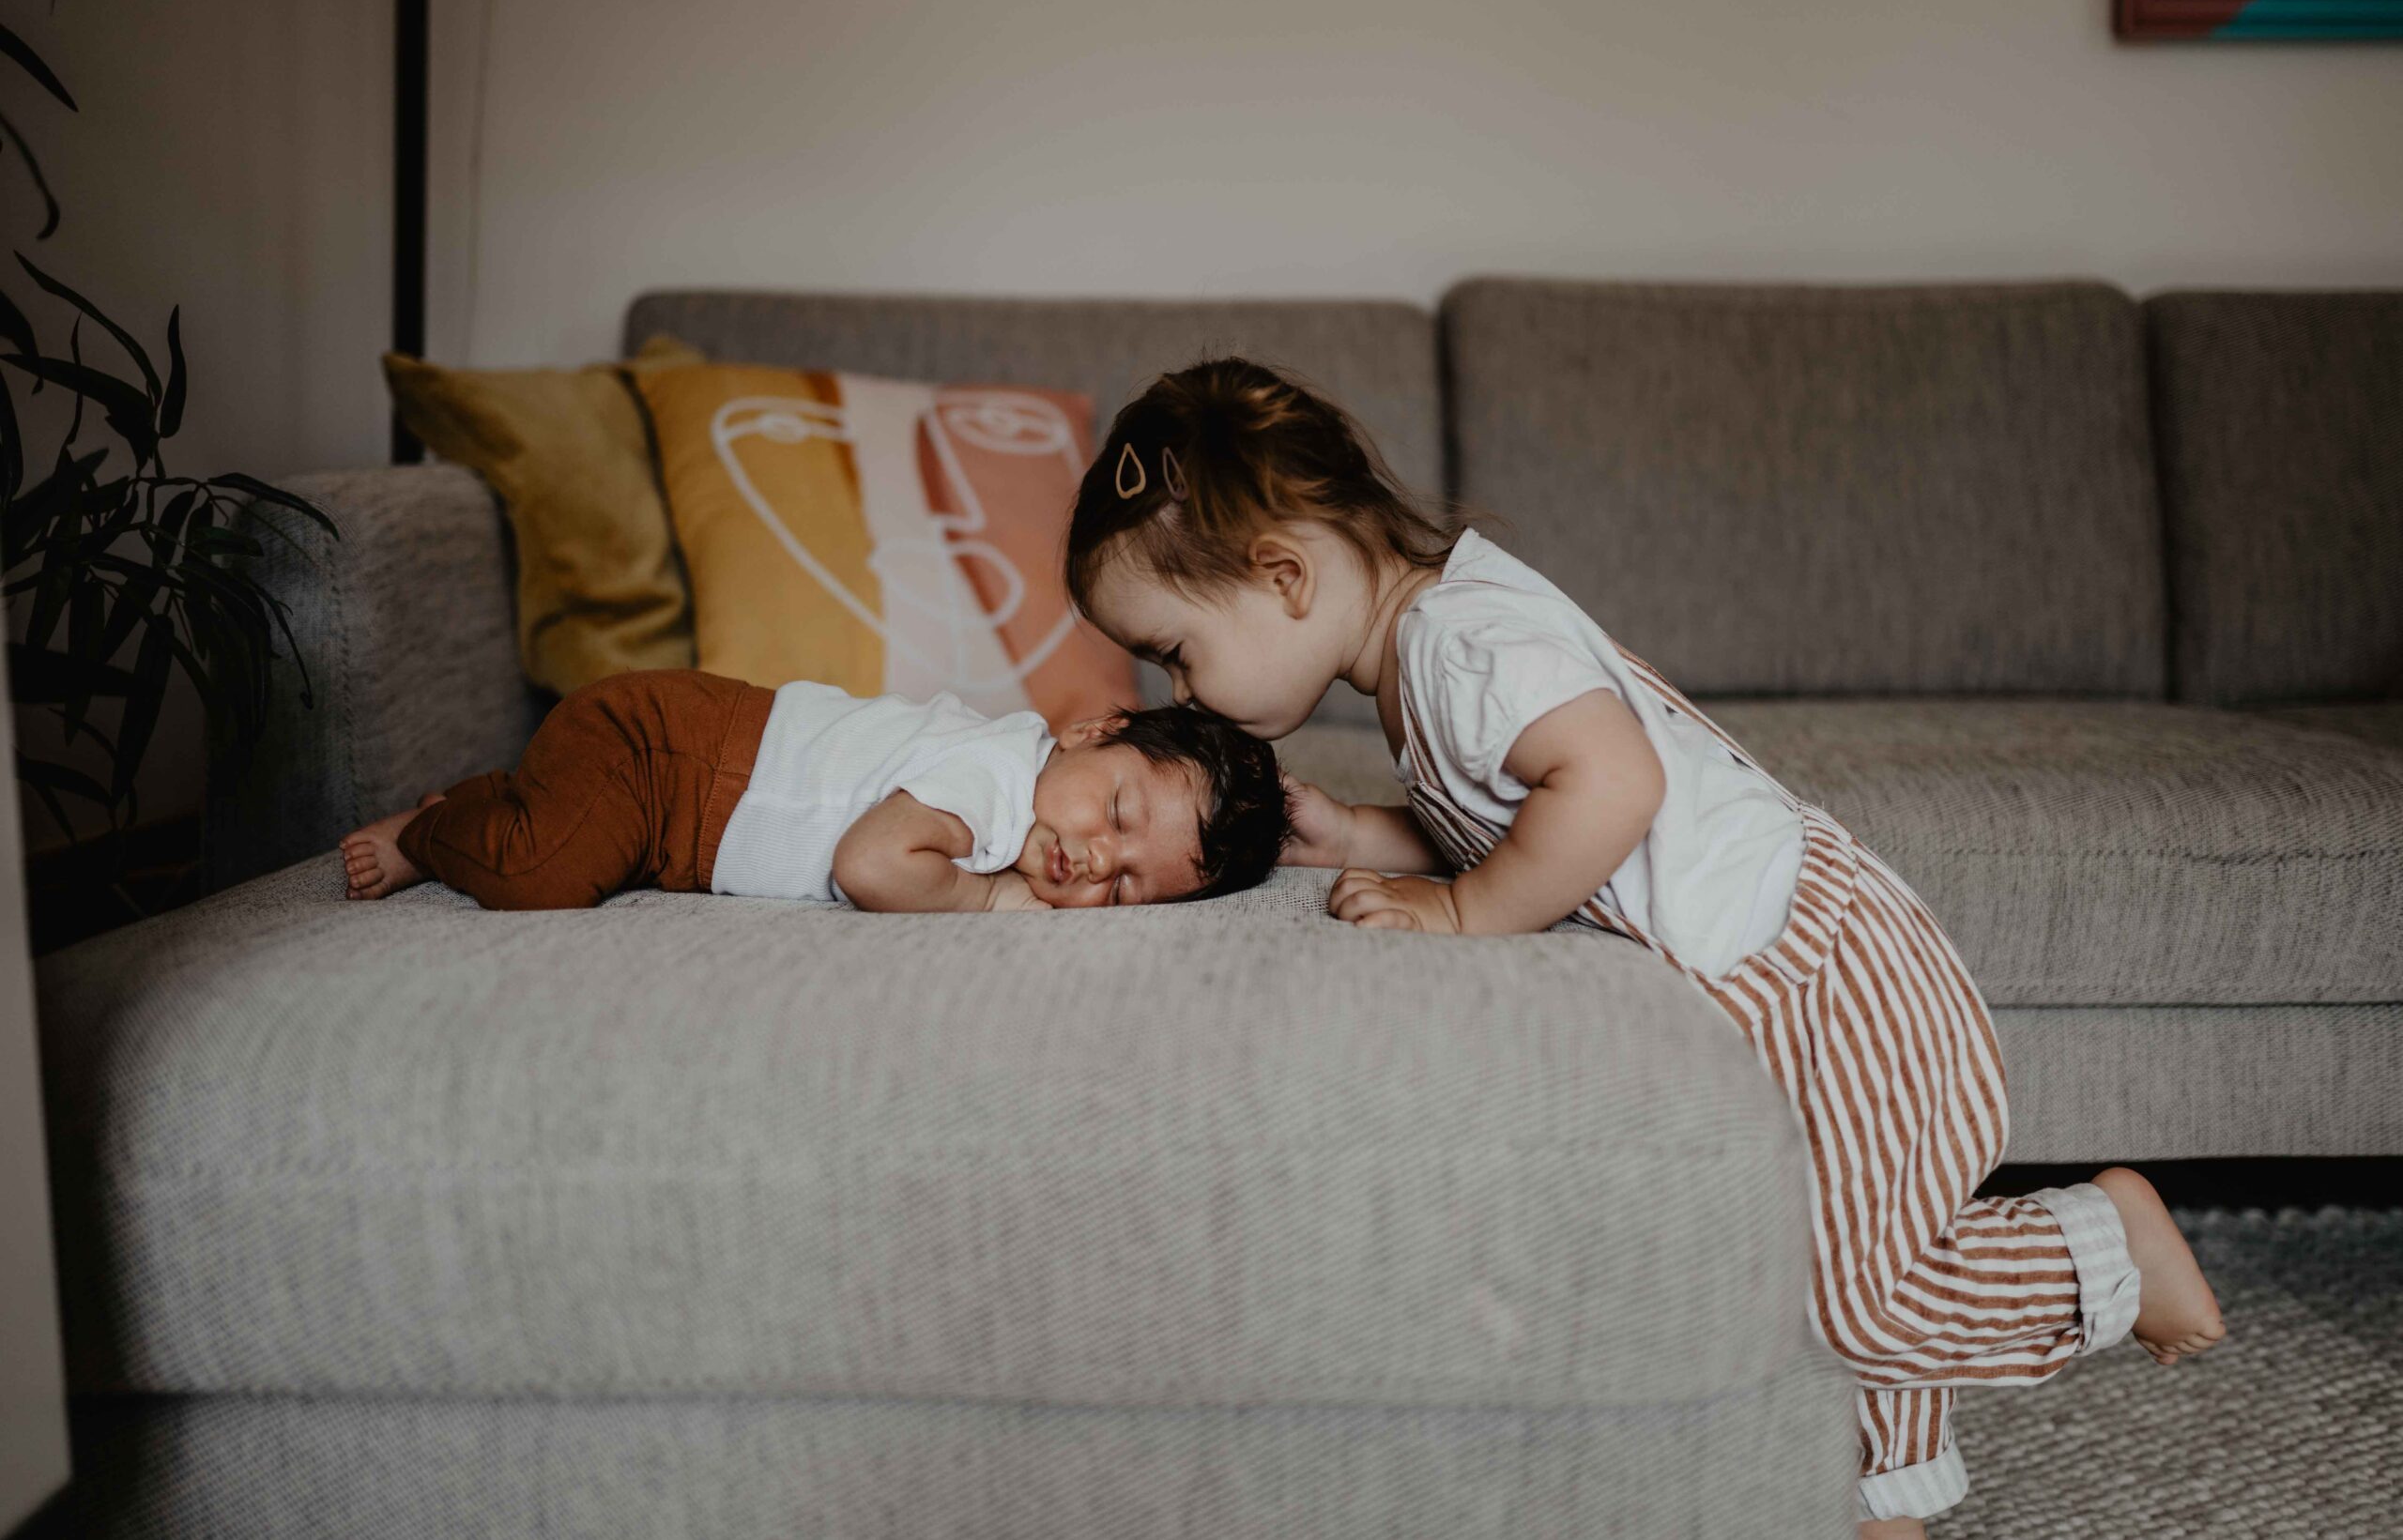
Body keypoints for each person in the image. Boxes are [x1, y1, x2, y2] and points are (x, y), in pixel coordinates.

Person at [1062, 357, 2225, 1537]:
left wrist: (1467, 914)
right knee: (1822, 1241)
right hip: (1765, 989)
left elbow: (1613, 783)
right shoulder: (1427, 655)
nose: (1178, 688)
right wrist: (1361, 833)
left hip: (1822, 977)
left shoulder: (1465, 648)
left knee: (1842, 1297)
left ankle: (2093, 1248)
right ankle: (1886, 1506)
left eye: (1175, 651)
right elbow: (1522, 814)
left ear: (1284, 575)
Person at [339, 669, 1289, 914]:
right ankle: (437, 830)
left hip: (683, 804)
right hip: (662, 754)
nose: (1094, 859)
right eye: (1117, 813)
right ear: (1094, 733)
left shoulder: (1025, 783)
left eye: (1122, 886)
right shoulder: (999, 785)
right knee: (543, 875)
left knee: (568, 836)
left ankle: (505, 803)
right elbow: (870, 865)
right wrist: (985, 895)